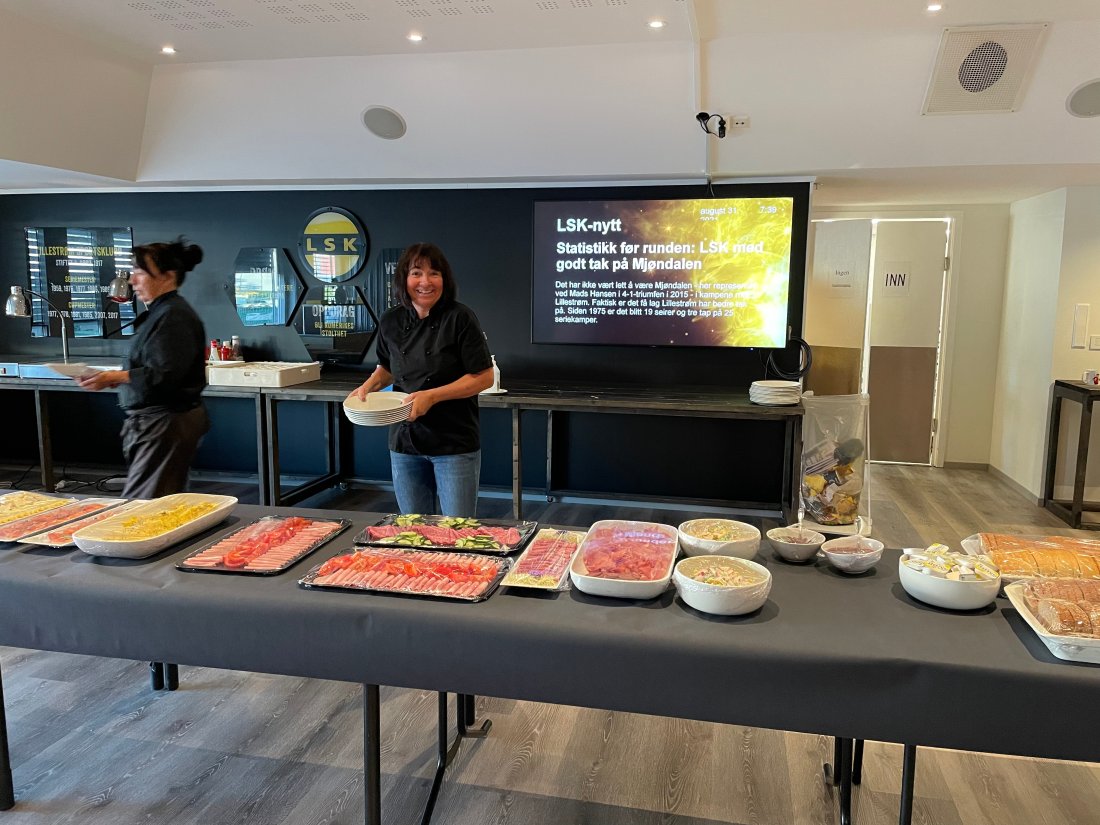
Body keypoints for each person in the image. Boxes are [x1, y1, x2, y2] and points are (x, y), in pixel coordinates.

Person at [350, 243, 493, 516]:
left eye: (434, 273)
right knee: (413, 526)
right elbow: (388, 367)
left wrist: (432, 396)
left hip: (453, 442)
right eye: (416, 273)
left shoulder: (460, 318)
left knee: (457, 529)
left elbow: (483, 377)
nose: (425, 282)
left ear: (444, 279)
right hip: (405, 441)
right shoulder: (390, 320)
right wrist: (368, 386)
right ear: (404, 279)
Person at [78, 238, 209, 499]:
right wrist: (119, 378)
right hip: (160, 421)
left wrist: (114, 376)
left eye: (140, 272)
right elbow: (153, 368)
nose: (132, 280)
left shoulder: (173, 315)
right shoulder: (162, 312)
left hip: (165, 421)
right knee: (158, 500)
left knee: (143, 504)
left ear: (168, 275)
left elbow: (164, 375)